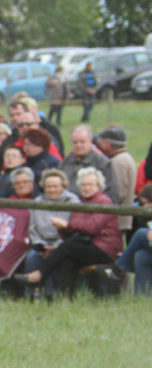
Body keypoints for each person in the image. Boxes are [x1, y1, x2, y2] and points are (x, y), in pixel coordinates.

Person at [23, 167, 118, 298]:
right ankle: (64, 298)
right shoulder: (82, 203)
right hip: (87, 246)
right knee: (67, 259)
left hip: (104, 248)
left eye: (90, 185)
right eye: (84, 185)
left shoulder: (103, 201)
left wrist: (67, 225)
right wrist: (64, 229)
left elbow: (92, 227)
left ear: (99, 186)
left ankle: (39, 275)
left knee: (68, 247)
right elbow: (73, 230)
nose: (86, 188)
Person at [96, 127, 137, 247]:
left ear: (109, 144)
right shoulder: (123, 158)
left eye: (102, 141)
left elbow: (119, 192)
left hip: (118, 216)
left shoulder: (118, 162)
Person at [112, 184, 152, 297]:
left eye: (149, 203)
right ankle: (142, 298)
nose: (146, 207)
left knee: (141, 233)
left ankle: (118, 268)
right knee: (141, 256)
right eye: (143, 203)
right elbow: (132, 241)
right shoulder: (140, 216)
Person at [60, 125, 116, 201]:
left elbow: (111, 192)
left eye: (82, 142)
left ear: (90, 141)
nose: (78, 145)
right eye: (75, 142)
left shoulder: (102, 163)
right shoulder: (65, 162)